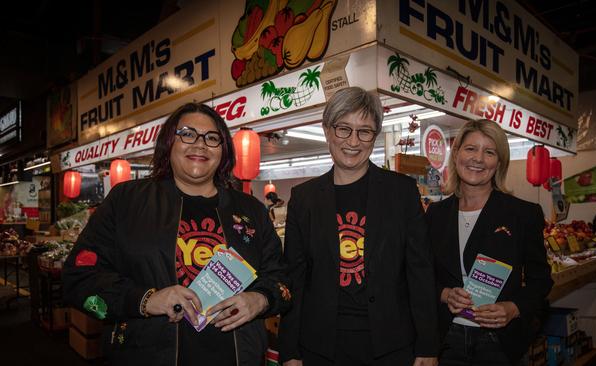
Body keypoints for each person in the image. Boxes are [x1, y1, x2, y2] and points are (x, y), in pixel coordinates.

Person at [63, 102, 291, 366]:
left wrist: (260, 299)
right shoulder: (126, 201)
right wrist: (146, 299)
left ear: (223, 150)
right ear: (169, 142)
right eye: (187, 134)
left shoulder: (251, 210)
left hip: (239, 357)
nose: (200, 144)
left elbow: (282, 278)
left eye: (212, 138)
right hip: (144, 354)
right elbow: (77, 280)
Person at [279, 87, 439, 366]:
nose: (353, 141)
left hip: (392, 344)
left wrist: (428, 345)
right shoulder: (304, 198)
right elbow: (295, 279)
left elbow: (420, 272)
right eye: (343, 129)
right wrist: (290, 351)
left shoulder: (401, 192)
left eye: (364, 131)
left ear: (374, 136)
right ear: (328, 130)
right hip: (321, 345)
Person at [425, 119, 553, 366]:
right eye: (471, 148)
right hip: (446, 340)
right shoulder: (435, 214)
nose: (478, 159)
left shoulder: (522, 214)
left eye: (489, 152)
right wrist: (444, 294)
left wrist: (514, 308)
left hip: (499, 343)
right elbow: (421, 275)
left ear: (499, 162)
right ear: (457, 153)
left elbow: (541, 279)